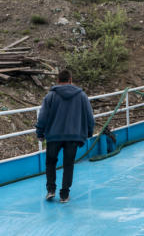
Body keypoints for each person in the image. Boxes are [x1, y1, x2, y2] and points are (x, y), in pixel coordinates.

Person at [35, 69, 95, 203]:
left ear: (58, 80)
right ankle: (64, 195)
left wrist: (40, 133)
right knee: (68, 164)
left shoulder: (50, 96)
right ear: (70, 80)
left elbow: (42, 116)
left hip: (53, 136)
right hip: (73, 136)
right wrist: (89, 132)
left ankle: (51, 190)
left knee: (50, 163)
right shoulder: (81, 96)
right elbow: (90, 117)